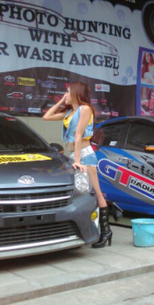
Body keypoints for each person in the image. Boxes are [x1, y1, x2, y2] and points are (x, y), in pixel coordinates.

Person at [43, 81, 113, 248]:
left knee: (96, 193)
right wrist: (61, 101)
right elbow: (46, 117)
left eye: (68, 92)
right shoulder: (69, 112)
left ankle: (106, 231)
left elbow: (78, 135)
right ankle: (90, 230)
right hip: (75, 155)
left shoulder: (85, 109)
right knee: (82, 194)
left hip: (84, 155)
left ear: (76, 93)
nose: (65, 94)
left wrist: (77, 160)